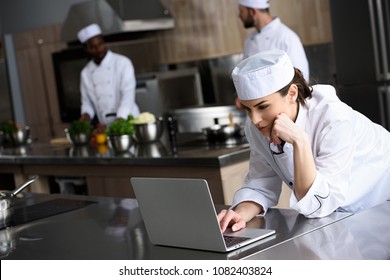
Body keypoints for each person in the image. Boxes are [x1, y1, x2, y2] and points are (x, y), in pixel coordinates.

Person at [218, 49, 390, 233]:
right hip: (338, 214)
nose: (255, 119)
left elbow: (319, 203)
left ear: (292, 93)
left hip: (380, 197)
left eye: (263, 106)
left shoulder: (333, 119)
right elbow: (261, 183)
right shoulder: (256, 127)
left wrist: (299, 141)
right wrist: (240, 214)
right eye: (247, 109)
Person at [235, 0, 309, 109]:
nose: (239, 15)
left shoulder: (287, 38)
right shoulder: (249, 41)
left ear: (253, 12)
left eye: (242, 11)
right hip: (254, 110)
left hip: (282, 110)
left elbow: (301, 80)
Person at [77, 23, 140, 128]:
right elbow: (87, 103)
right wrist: (85, 117)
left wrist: (120, 120)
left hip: (129, 122)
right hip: (105, 127)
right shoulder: (85, 73)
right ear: (86, 49)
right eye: (93, 47)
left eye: (100, 44)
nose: (98, 49)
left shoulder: (122, 63)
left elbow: (128, 95)